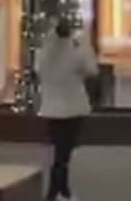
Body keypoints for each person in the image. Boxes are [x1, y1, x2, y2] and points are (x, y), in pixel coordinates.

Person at [37, 18, 98, 201]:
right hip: (72, 109)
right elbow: (92, 70)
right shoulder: (76, 52)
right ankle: (58, 191)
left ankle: (60, 190)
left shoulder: (44, 54)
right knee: (63, 154)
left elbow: (38, 70)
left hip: (51, 110)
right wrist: (85, 44)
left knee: (59, 151)